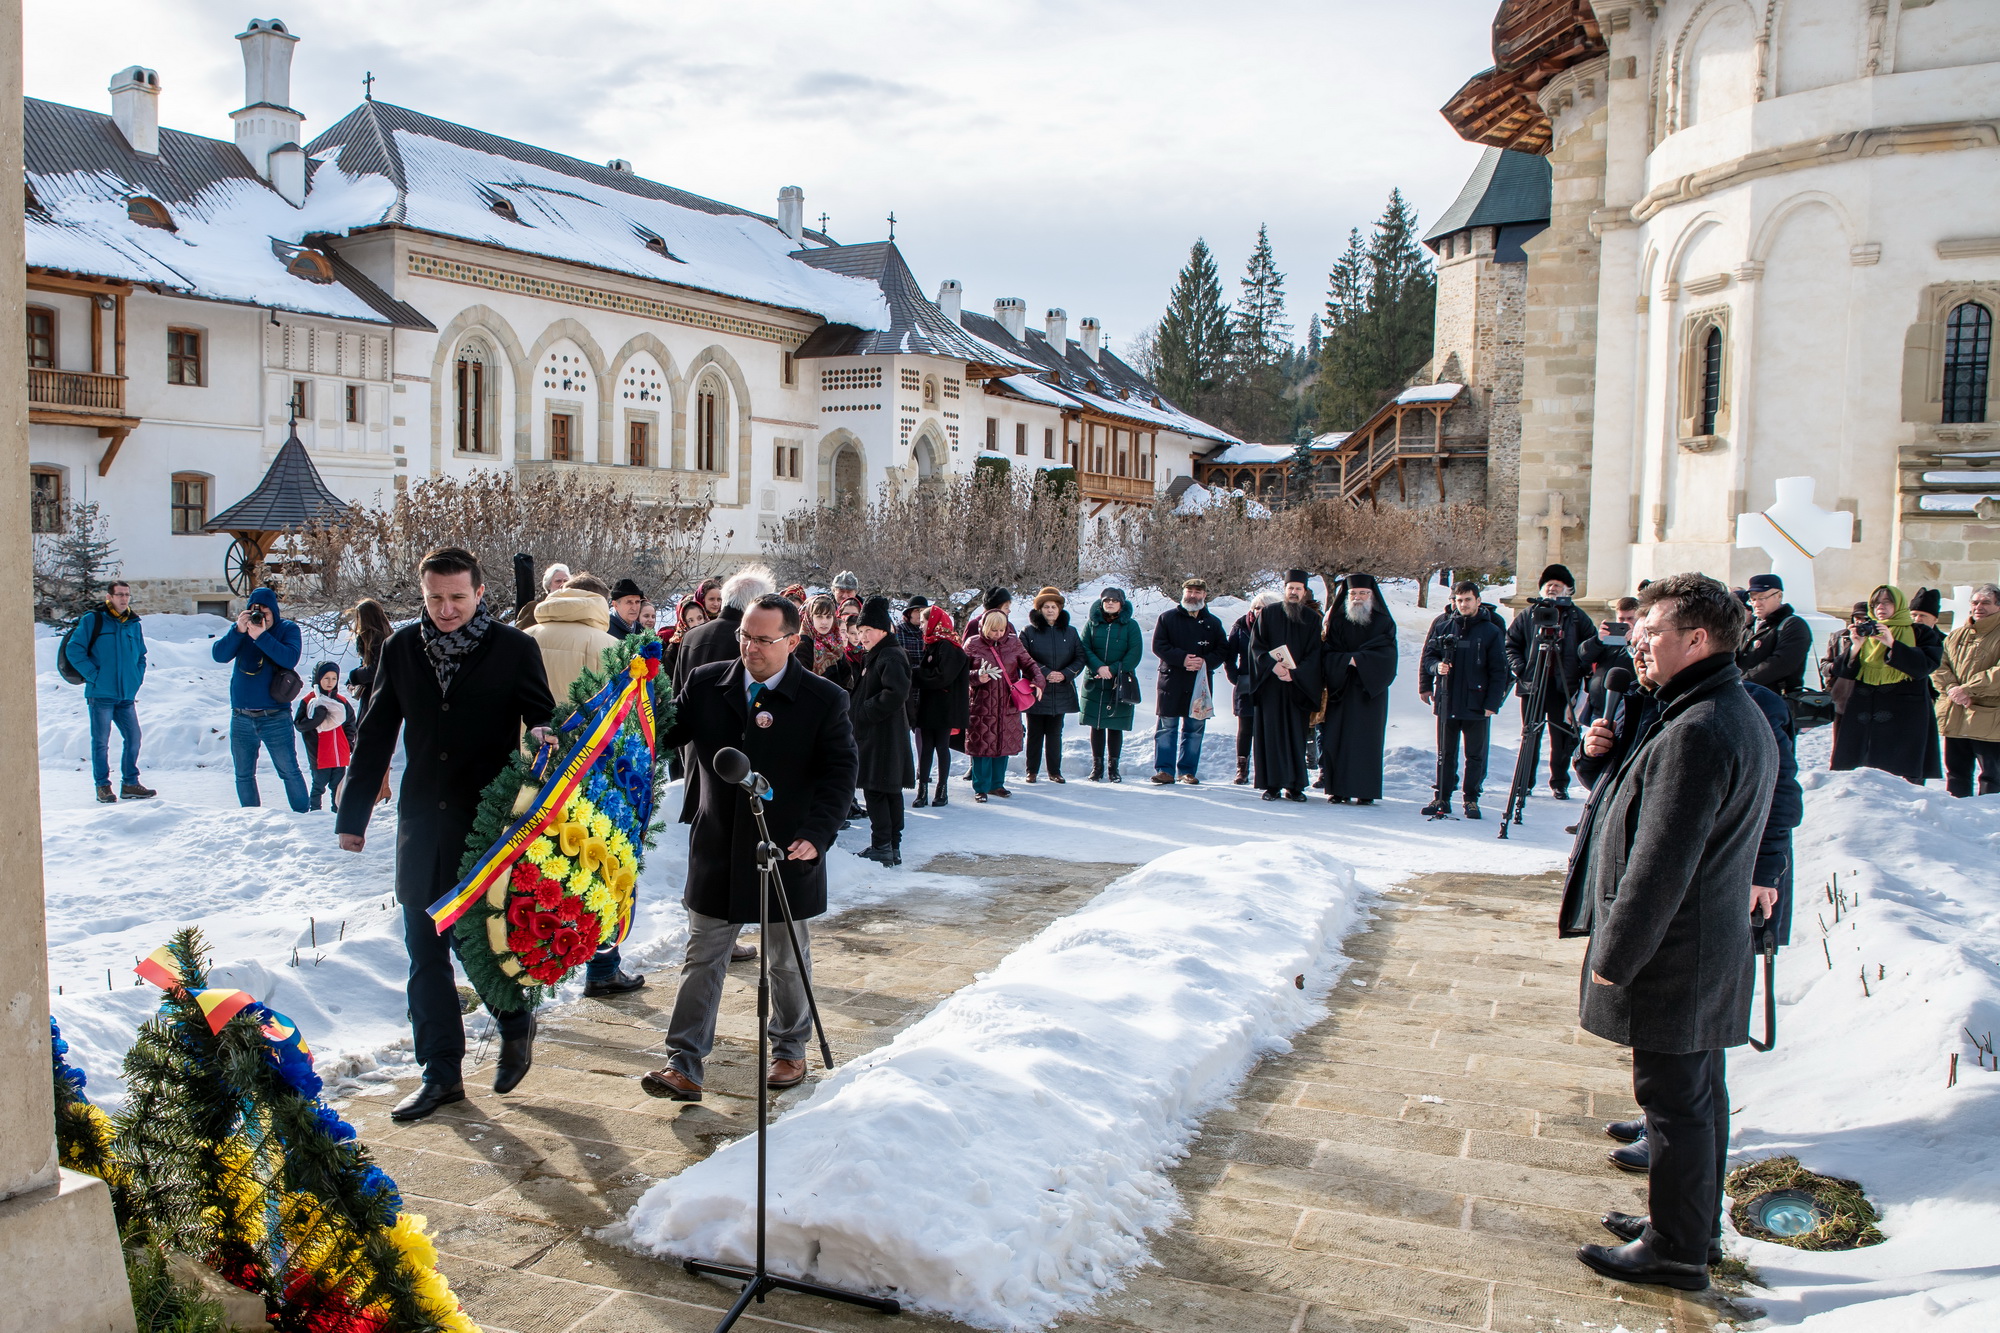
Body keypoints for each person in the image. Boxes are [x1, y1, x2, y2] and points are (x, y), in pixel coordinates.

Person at [1558, 572, 1776, 1293]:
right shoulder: (1715, 708)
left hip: (1678, 951)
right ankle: (1689, 1228)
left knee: (1674, 1103)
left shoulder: (1701, 728)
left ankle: (1675, 1251)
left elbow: (1660, 864)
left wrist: (1615, 954)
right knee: (1697, 1096)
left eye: (1651, 633)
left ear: (1698, 639)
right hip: (1703, 944)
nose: (1638, 645)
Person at [336, 548, 558, 1121]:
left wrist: (543, 734)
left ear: (479, 593)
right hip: (420, 822)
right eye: (435, 598)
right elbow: (376, 732)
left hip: (485, 822)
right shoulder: (400, 648)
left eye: (458, 597)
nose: (446, 608)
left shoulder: (514, 648)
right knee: (423, 949)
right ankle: (440, 1075)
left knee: (474, 938)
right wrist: (353, 816)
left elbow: (541, 715)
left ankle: (513, 1018)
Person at [639, 594, 858, 1102]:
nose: (749, 648)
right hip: (718, 847)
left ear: (792, 641)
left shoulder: (823, 699)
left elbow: (840, 772)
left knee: (785, 959)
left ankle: (790, 1048)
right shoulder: (706, 682)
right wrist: (637, 702)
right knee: (702, 957)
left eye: (763, 639)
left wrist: (817, 834)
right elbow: (664, 733)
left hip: (786, 849)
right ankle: (683, 1063)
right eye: (744, 636)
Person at [1828, 585, 1944, 784]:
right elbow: (1842, 671)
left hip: (1905, 717)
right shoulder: (1866, 631)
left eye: (1887, 602)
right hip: (1863, 715)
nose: (1880, 607)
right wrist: (1855, 647)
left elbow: (1924, 666)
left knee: (1900, 780)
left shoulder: (1919, 632)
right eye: (1876, 603)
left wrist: (1892, 644)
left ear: (1899, 605)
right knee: (1858, 777)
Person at [213, 586, 310, 812]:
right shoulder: (241, 631)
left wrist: (261, 636)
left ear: (274, 611)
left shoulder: (287, 629)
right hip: (241, 716)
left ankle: (304, 817)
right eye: (254, 611)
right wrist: (238, 630)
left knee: (289, 770)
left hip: (275, 715)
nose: (259, 616)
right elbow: (219, 655)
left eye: (264, 611)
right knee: (243, 774)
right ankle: (252, 818)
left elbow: (289, 659)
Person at [1419, 581, 1510, 819]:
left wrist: (1492, 703)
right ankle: (1442, 796)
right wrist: (1435, 669)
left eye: (1468, 600)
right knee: (1445, 753)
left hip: (1476, 702)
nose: (1463, 604)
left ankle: (1471, 798)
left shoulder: (1491, 631)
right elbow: (1428, 656)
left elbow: (1499, 671)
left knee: (1475, 755)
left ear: (1478, 601)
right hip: (1447, 699)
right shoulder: (1443, 626)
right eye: (1459, 600)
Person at [1506, 564, 1597, 801]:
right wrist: (1521, 669)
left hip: (1563, 687)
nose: (1552, 588)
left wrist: (1580, 671)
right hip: (1533, 686)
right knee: (1530, 735)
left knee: (1562, 738)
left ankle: (1559, 783)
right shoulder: (1529, 614)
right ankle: (1524, 782)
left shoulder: (1577, 617)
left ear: (1568, 590)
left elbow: (1590, 648)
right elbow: (1511, 644)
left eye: (1558, 585)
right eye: (1549, 585)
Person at [66, 579, 154, 803]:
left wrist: (136, 678)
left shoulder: (133, 623)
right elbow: (74, 649)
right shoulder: (94, 620)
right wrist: (93, 675)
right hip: (101, 694)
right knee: (101, 742)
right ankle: (103, 786)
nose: (124, 598)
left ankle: (130, 784)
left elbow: (141, 655)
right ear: (109, 597)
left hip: (126, 695)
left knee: (134, 738)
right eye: (119, 595)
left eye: (127, 594)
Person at [1316, 574, 1399, 805]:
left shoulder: (1383, 622)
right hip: (1341, 689)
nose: (1358, 597)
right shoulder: (1337, 622)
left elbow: (1388, 655)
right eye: (1353, 593)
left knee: (1366, 740)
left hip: (1369, 691)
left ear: (1372, 596)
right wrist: (1345, 661)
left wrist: (1359, 661)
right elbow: (1326, 653)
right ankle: (1338, 790)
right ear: (1347, 596)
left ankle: (1365, 791)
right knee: (1336, 738)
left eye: (1363, 593)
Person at [1246, 572, 1325, 801]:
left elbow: (1315, 653)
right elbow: (1256, 647)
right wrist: (1274, 667)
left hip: (1297, 686)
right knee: (1270, 734)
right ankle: (1272, 786)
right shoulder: (1268, 613)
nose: (1294, 592)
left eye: (1298, 589)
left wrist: (1296, 674)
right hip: (1270, 685)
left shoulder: (1312, 619)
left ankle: (1295, 786)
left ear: (1304, 592)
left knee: (1296, 736)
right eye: (1290, 588)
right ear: (1285, 589)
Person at [850, 596, 916, 865]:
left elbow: (896, 692)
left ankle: (883, 846)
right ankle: (890, 846)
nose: (863, 636)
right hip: (881, 736)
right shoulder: (881, 653)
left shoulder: (889, 655)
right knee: (887, 791)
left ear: (884, 630)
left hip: (881, 737)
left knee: (877, 790)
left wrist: (864, 711)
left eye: (868, 630)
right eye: (860, 631)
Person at [1151, 578, 1228, 785]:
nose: (1193, 595)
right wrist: (1182, 659)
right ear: (1183, 592)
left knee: (1194, 728)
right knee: (1167, 727)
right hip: (1171, 681)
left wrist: (1205, 662)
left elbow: (1223, 649)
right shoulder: (1167, 618)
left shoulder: (1213, 623)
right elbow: (1159, 646)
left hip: (1199, 683)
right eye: (1190, 591)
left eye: (1197, 592)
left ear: (1204, 595)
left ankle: (1187, 771)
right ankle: (1164, 770)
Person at [963, 609, 1043, 801]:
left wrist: (1039, 681)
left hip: (1008, 704)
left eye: (1002, 630)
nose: (998, 634)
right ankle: (981, 787)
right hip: (982, 705)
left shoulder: (1013, 642)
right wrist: (977, 676)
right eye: (994, 630)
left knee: (1003, 745)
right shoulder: (973, 644)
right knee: (982, 746)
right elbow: (959, 673)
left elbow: (1030, 664)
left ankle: (997, 784)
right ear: (985, 627)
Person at [1934, 582, 2000, 797]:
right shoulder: (1956, 635)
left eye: (1986, 603)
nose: (1978, 607)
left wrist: (1968, 690)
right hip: (1955, 713)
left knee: (1992, 776)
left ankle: (1989, 814)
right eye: (1975, 602)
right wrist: (1952, 688)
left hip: (1989, 718)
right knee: (1956, 773)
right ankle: (1957, 812)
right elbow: (1939, 665)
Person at [1019, 588, 1086, 783]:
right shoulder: (1028, 632)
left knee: (1055, 733)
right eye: (1046, 607)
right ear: (1039, 609)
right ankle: (1031, 771)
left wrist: (1065, 674)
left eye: (1054, 607)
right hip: (1037, 689)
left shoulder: (1070, 632)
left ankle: (1054, 771)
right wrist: (1045, 673)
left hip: (1061, 689)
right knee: (1035, 733)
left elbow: (1080, 657)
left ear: (1060, 609)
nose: (1050, 610)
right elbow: (1024, 657)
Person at [522, 572, 619, 704]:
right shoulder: (611, 645)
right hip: (582, 717)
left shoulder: (524, 636)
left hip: (531, 716)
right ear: (601, 602)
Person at [1079, 587, 1142, 782]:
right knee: (1096, 724)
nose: (1110, 603)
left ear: (1121, 604)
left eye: (1115, 600)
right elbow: (1084, 648)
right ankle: (1096, 768)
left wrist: (1113, 669)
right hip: (1095, 680)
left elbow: (1134, 653)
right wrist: (1098, 667)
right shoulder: (1092, 624)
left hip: (1119, 681)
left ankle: (1113, 768)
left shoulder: (1130, 626)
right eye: (1107, 600)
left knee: (1115, 724)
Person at [913, 605, 969, 807]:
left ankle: (942, 790)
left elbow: (942, 676)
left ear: (934, 622)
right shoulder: (933, 644)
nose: (921, 626)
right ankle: (922, 791)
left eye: (923, 622)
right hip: (930, 705)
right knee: (927, 748)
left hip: (944, 707)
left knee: (941, 747)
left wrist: (915, 674)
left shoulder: (947, 646)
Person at [1224, 592, 1275, 785]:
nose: (1260, 611)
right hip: (1247, 683)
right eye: (1257, 607)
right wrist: (1235, 677)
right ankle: (1242, 769)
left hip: (1272, 683)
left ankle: (1267, 769)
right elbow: (1229, 655)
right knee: (1245, 728)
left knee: (1269, 728)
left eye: (1265, 608)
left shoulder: (1279, 626)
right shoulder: (1240, 626)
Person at [294, 662, 356, 813]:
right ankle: (315, 813)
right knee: (318, 786)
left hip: (339, 753)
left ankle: (337, 813)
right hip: (319, 754)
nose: (330, 682)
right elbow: (300, 725)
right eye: (326, 678)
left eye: (334, 678)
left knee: (338, 787)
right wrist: (317, 718)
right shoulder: (309, 701)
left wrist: (349, 742)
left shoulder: (341, 701)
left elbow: (350, 723)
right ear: (318, 679)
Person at [1736, 574, 1812, 696]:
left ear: (1779, 596)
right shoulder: (1749, 627)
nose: (1756, 604)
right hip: (1746, 696)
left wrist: (1741, 682)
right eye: (1753, 599)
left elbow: (1781, 664)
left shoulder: (1793, 625)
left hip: (1776, 699)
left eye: (1762, 598)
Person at [1578, 596, 1639, 728]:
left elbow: (1640, 662)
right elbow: (1584, 655)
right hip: (1598, 706)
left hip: (1624, 709)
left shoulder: (1643, 641)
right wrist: (1598, 641)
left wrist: (1633, 642)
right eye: (1621, 619)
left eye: (1630, 618)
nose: (1625, 623)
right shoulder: (1609, 638)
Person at [512, 562, 571, 632]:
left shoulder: (574, 607)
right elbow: (519, 634)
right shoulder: (534, 607)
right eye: (558, 581)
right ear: (549, 585)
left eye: (566, 581)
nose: (562, 584)